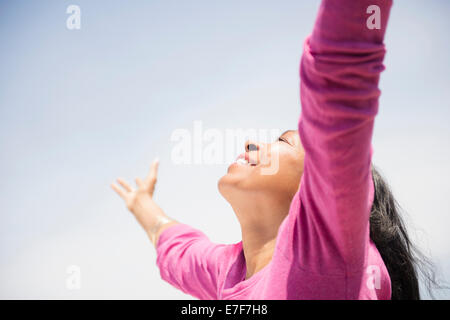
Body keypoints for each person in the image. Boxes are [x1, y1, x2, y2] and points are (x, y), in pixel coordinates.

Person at [112, 0, 436, 299]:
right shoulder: (227, 273)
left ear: (316, 187)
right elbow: (177, 250)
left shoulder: (322, 258)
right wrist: (142, 204)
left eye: (283, 141)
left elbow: (337, 79)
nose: (251, 143)